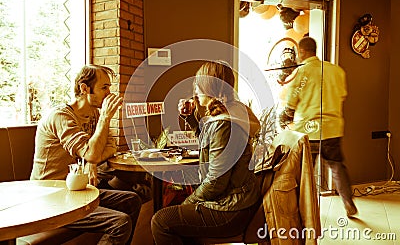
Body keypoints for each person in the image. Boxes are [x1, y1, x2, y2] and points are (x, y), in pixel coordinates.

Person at [151, 60, 261, 244]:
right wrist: (191, 119)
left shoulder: (223, 123)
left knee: (161, 221)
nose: (195, 91)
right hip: (237, 201)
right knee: (175, 215)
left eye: (198, 84)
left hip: (231, 209)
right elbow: (211, 144)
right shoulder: (232, 112)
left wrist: (188, 203)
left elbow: (216, 182)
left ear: (211, 87)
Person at [31, 64, 142, 244]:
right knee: (120, 223)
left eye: (109, 87)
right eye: (104, 87)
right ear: (84, 88)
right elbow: (93, 152)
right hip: (51, 197)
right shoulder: (61, 117)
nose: (109, 93)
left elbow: (110, 146)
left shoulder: (94, 115)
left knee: (132, 200)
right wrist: (92, 153)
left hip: (76, 190)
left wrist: (91, 159)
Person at [279, 36, 358, 217]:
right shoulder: (336, 71)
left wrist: (284, 120)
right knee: (337, 166)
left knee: (306, 173)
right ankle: (348, 202)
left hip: (308, 130)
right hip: (333, 128)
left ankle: (306, 210)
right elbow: (342, 96)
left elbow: (291, 104)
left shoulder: (300, 73)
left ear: (302, 52)